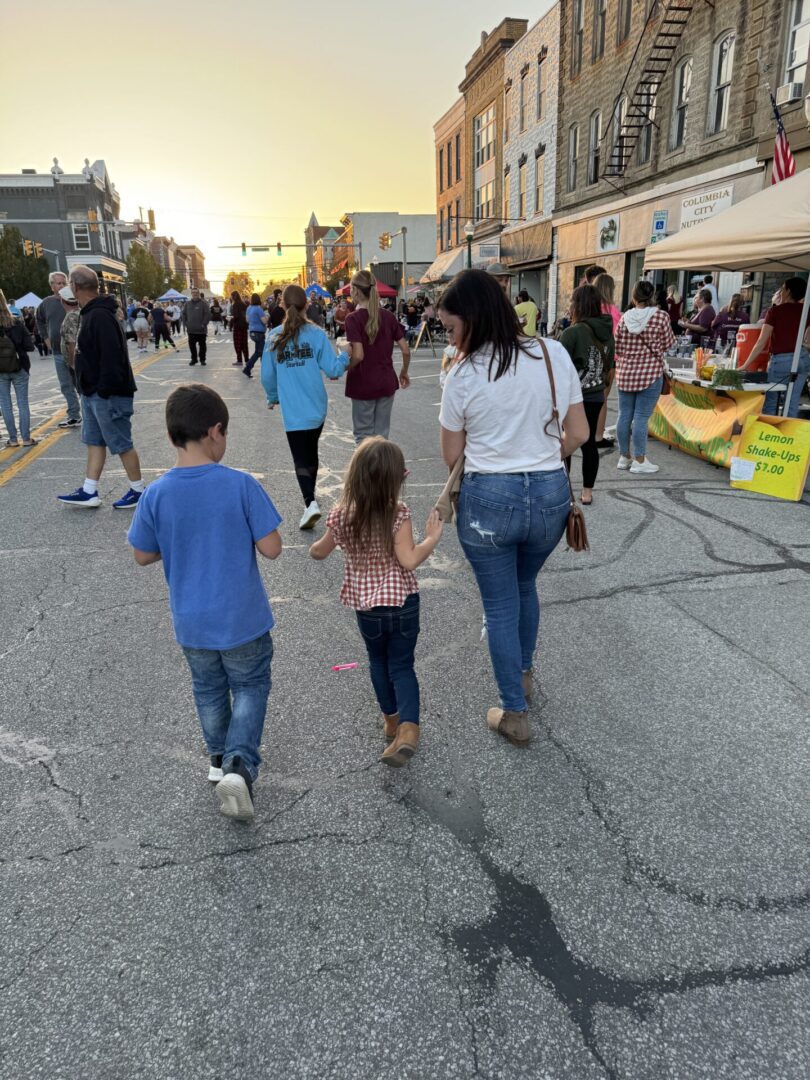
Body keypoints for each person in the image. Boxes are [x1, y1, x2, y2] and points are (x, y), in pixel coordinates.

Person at [438, 269, 588, 746]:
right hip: (549, 493)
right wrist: (541, 457)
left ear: (472, 319)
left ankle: (514, 710)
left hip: (489, 500)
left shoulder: (462, 374)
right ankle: (522, 674)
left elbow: (450, 457)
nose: (449, 337)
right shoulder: (552, 353)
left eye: (451, 327)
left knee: (500, 605)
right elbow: (580, 433)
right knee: (525, 586)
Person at [127, 384, 282, 820]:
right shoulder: (239, 485)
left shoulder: (156, 494)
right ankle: (240, 762)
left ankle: (218, 761)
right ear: (215, 431)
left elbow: (142, 554)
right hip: (242, 618)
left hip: (192, 623)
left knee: (209, 690)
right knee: (250, 685)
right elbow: (271, 548)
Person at [309, 437, 443, 767]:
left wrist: (323, 543)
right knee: (402, 664)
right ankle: (409, 729)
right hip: (403, 603)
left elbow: (319, 552)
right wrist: (431, 539)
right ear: (397, 479)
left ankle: (392, 721)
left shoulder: (341, 515)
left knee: (378, 662)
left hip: (367, 610)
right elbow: (409, 560)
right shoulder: (398, 513)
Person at [261, 284, 350, 529]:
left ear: (282, 306)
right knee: (310, 452)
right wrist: (345, 355)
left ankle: (310, 502)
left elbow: (267, 375)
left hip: (293, 409)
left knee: (300, 456)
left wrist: (272, 397)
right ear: (307, 305)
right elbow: (333, 369)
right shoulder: (317, 334)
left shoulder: (273, 337)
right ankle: (311, 500)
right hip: (316, 406)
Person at [57, 265, 145, 510]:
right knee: (94, 441)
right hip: (94, 392)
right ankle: (89, 490)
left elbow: (112, 357)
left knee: (121, 443)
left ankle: (138, 491)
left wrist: (103, 390)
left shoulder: (100, 316)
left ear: (75, 287)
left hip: (107, 394)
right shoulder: (93, 313)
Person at [614, 280, 675, 475]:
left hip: (625, 373)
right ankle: (640, 460)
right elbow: (668, 344)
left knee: (624, 415)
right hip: (650, 373)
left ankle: (624, 457)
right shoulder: (661, 317)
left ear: (634, 296)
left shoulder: (624, 318)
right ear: (652, 296)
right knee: (641, 417)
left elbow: (618, 348)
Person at [559, 285, 614, 505]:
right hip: (596, 395)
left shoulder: (572, 332)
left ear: (578, 305)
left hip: (573, 398)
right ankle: (587, 492)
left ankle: (565, 491)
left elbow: (558, 365)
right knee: (589, 443)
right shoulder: (608, 331)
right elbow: (609, 365)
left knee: (568, 440)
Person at [343, 270, 411, 443]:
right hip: (386, 381)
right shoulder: (388, 316)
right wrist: (403, 371)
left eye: (351, 288)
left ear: (356, 291)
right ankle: (383, 469)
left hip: (362, 382)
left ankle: (367, 470)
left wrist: (345, 366)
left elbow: (358, 355)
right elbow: (405, 349)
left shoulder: (353, 319)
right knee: (382, 435)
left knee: (363, 436)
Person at [740, 276, 810, 418]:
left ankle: (769, 436)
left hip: (781, 361)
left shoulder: (775, 312)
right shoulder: (806, 311)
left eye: (782, 289)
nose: (781, 292)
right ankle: (788, 436)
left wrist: (745, 365)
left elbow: (761, 342)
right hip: (802, 359)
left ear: (788, 291)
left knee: (771, 402)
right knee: (792, 402)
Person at [36, 270, 81, 428]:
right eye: (58, 283)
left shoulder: (74, 300)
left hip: (76, 349)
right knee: (66, 384)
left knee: (81, 382)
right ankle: (74, 415)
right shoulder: (46, 303)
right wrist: (46, 339)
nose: (62, 286)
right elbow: (39, 320)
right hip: (57, 351)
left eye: (64, 282)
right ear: (52, 286)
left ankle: (90, 413)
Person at [0, 291, 36, 448]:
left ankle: (13, 439)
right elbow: (29, 346)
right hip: (19, 366)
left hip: (0, 370)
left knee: (5, 404)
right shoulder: (16, 322)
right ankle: (26, 438)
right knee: (22, 402)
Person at [183, 288, 210, 367]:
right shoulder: (187, 304)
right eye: (193, 293)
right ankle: (194, 359)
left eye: (196, 293)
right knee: (192, 346)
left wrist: (203, 324)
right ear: (191, 294)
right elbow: (184, 314)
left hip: (201, 330)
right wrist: (186, 324)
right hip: (191, 330)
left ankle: (202, 359)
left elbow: (207, 314)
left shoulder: (203, 303)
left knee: (202, 346)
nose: (195, 294)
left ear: (198, 293)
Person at [243, 292, 268, 378]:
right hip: (259, 333)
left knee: (259, 351)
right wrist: (267, 318)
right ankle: (248, 368)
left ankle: (249, 369)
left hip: (252, 332)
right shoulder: (258, 309)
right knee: (261, 352)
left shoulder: (249, 308)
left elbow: (247, 320)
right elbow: (264, 321)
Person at [230, 292, 249, 366]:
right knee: (244, 344)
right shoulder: (244, 304)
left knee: (237, 344)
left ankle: (239, 360)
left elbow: (236, 316)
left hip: (237, 327)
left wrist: (231, 320)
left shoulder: (235, 304)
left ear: (233, 297)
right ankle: (247, 359)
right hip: (244, 326)